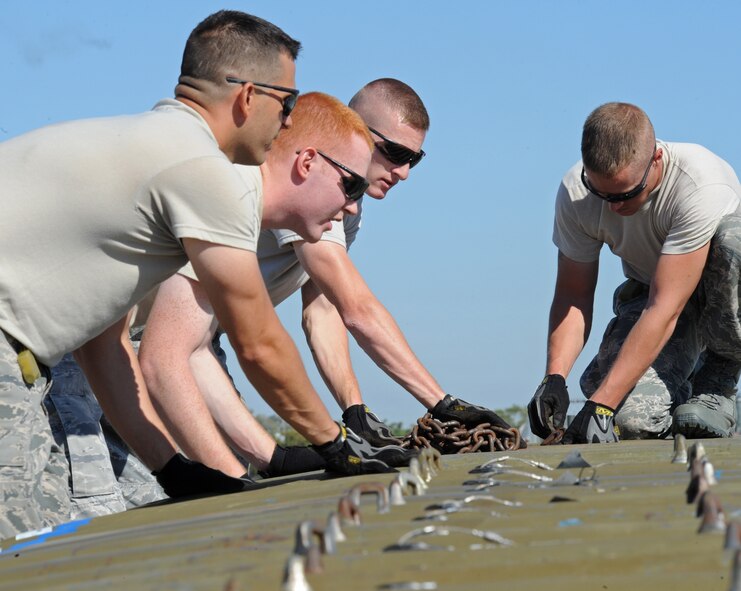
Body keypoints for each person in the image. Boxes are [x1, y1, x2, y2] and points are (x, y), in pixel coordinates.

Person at [0, 10, 392, 541]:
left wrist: (170, 468)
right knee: (14, 554)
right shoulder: (204, 172)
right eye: (288, 103)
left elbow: (102, 343)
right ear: (248, 97)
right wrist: (333, 443)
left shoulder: (147, 147)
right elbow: (259, 342)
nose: (286, 122)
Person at [138, 78, 518, 481]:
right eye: (395, 152)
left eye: (415, 159)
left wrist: (353, 411)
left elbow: (323, 313)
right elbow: (356, 308)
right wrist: (442, 404)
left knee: (231, 478)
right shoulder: (306, 191)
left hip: (183, 344)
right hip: (119, 349)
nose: (404, 172)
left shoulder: (341, 206)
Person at [527, 102, 741, 445]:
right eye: (601, 193)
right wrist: (554, 377)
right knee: (632, 422)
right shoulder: (575, 192)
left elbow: (665, 308)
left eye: (626, 194)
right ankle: (680, 395)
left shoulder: (701, 183)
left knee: (734, 240)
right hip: (651, 295)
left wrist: (601, 404)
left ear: (655, 160)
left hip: (719, 298)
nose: (613, 207)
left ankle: (718, 384)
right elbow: (573, 296)